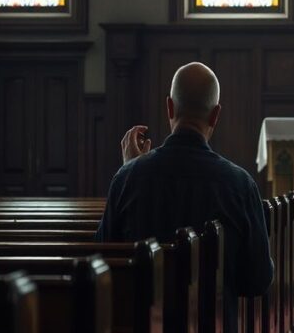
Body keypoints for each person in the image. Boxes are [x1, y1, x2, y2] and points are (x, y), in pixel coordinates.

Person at [95, 62, 273, 332]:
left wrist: (130, 170)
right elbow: (257, 281)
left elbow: (104, 258)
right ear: (215, 115)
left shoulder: (128, 178)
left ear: (169, 107)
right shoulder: (240, 185)